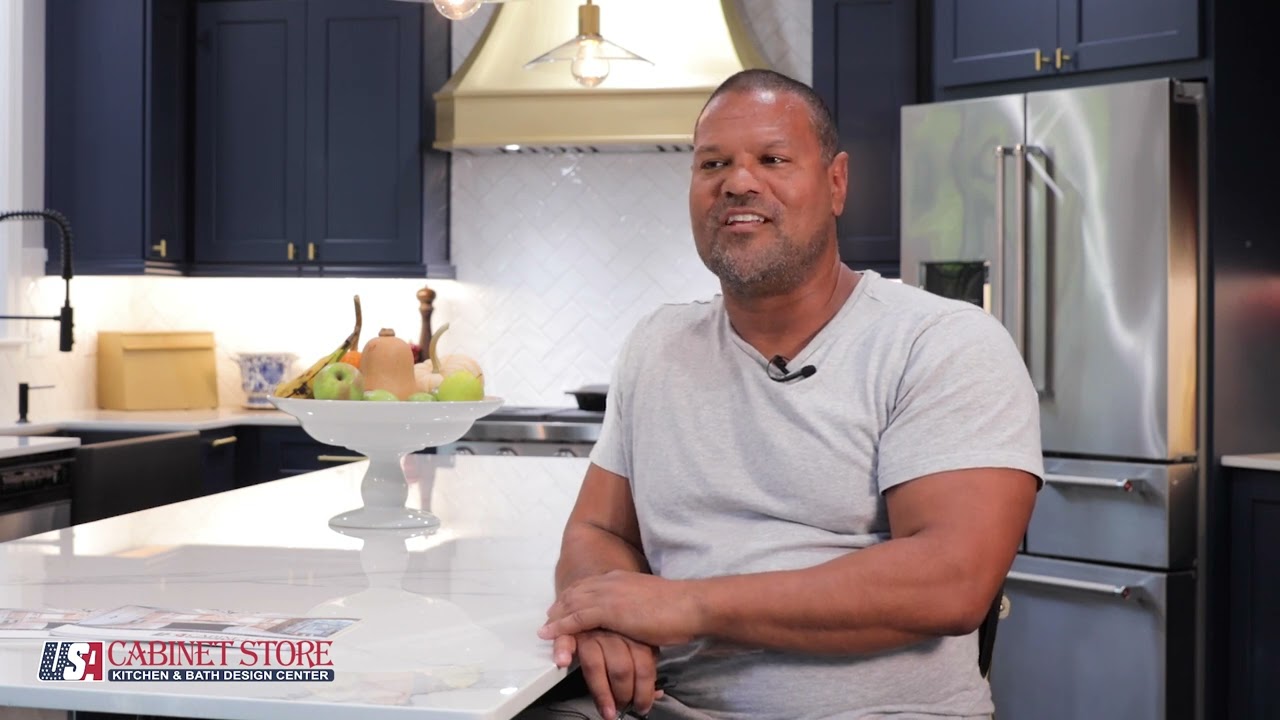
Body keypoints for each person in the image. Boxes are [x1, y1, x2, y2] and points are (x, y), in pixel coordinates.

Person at [525, 68, 1042, 720]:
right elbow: (599, 528)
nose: (738, 181)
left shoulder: (942, 343)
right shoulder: (656, 345)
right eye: (713, 163)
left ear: (835, 183)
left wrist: (686, 605)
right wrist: (597, 610)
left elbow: (952, 581)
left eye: (772, 159)